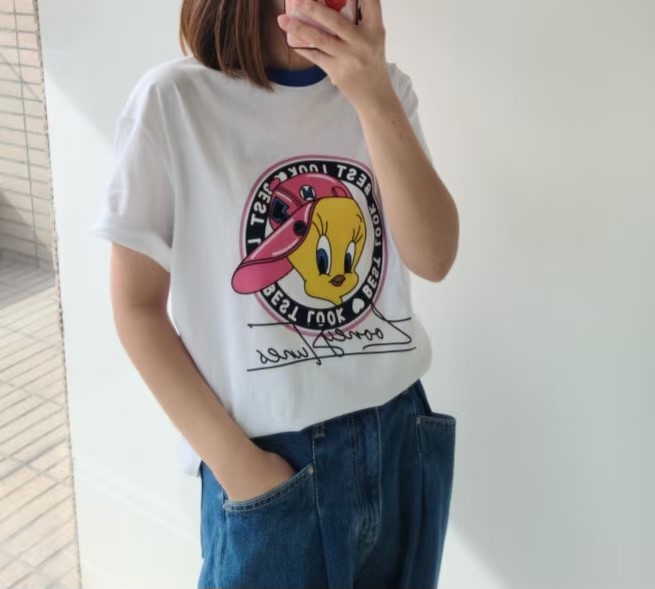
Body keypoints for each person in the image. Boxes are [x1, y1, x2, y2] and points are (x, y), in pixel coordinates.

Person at [89, 0, 459, 587]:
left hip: (400, 439)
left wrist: (373, 95)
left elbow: (434, 257)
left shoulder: (385, 90)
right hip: (270, 457)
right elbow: (137, 308)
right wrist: (241, 467)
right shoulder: (174, 102)